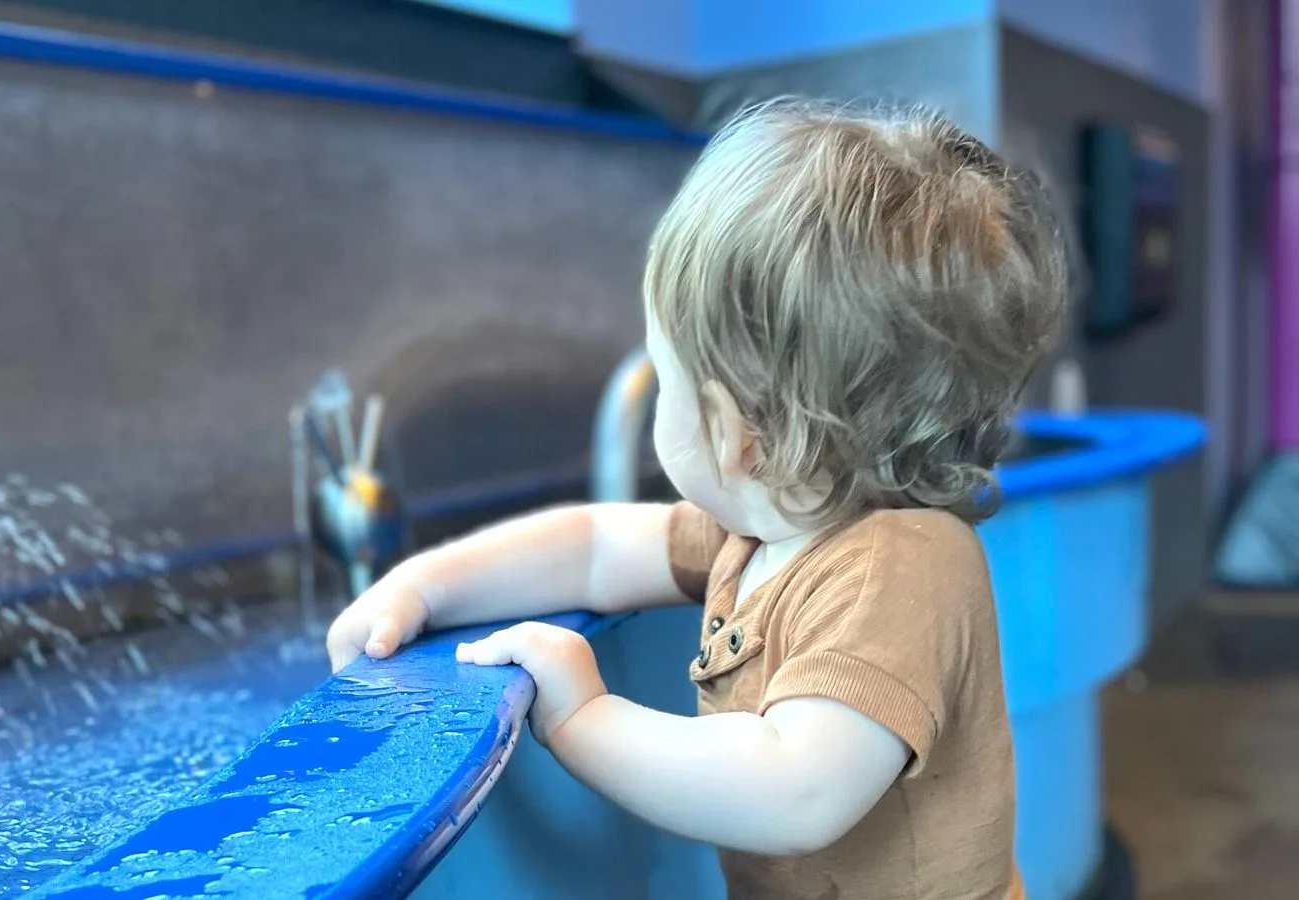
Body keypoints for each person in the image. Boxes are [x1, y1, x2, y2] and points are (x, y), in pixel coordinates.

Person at [325, 99, 1067, 900]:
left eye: (666, 373)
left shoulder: (902, 569)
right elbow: (597, 549)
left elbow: (797, 790)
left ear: (739, 434)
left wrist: (587, 720)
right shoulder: (764, 530)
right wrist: (427, 588)